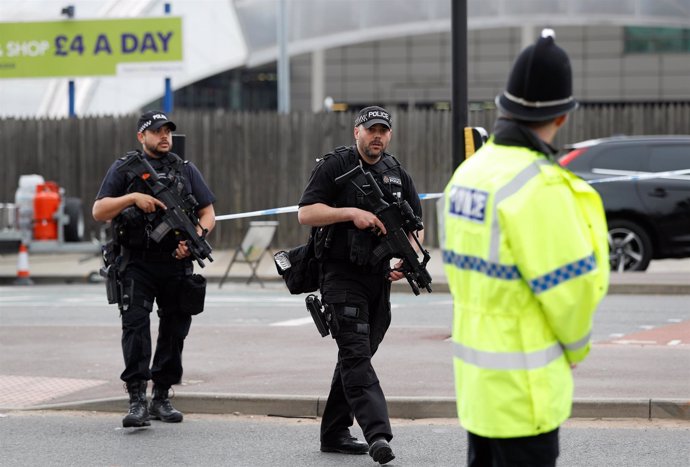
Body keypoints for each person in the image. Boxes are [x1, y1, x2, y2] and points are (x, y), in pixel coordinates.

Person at [442, 30, 610, 466]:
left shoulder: (468, 175)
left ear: (504, 107)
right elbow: (571, 292)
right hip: (526, 396)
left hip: (478, 391)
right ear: (562, 117)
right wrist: (576, 350)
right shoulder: (540, 188)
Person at [297, 106, 423, 465]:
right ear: (357, 132)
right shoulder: (335, 165)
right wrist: (350, 213)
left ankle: (335, 432)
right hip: (340, 276)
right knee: (354, 353)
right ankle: (378, 433)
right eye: (371, 130)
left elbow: (415, 225)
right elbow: (306, 212)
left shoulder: (397, 173)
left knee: (357, 356)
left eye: (383, 130)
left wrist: (407, 257)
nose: (377, 136)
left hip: (377, 278)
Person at [92, 110, 216, 428]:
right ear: (141, 136)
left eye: (168, 131)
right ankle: (136, 400)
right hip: (136, 263)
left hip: (176, 264)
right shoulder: (124, 168)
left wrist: (195, 239)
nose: (164, 136)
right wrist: (133, 197)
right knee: (135, 329)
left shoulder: (185, 169)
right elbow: (99, 210)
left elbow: (208, 213)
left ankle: (161, 396)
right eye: (157, 131)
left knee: (175, 331)